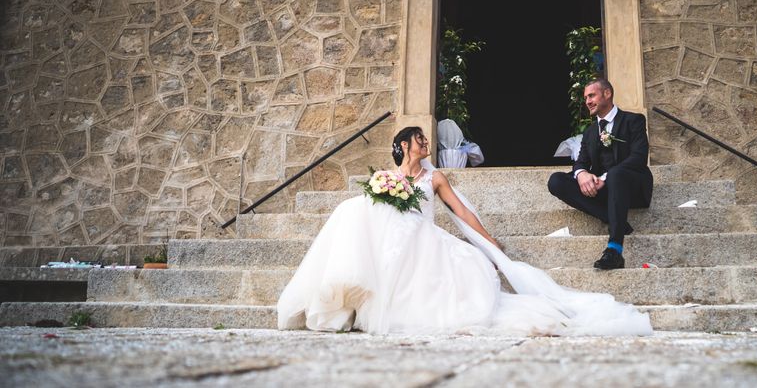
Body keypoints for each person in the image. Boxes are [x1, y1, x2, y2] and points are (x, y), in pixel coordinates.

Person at [277, 126, 652, 336]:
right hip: (389, 241)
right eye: (420, 140)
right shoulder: (384, 178)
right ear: (405, 145)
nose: (426, 143)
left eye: (426, 140)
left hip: (422, 238)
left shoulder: (435, 177)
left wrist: (489, 241)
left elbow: (459, 212)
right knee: (352, 209)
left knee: (454, 259)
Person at [547, 78, 654, 270]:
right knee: (556, 181)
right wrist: (581, 175)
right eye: (585, 97)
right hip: (605, 193)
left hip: (633, 188)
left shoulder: (633, 120)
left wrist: (604, 177)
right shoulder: (590, 133)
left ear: (607, 94)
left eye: (591, 95)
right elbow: (580, 162)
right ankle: (611, 216)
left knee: (615, 175)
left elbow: (639, 158)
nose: (587, 101)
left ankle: (614, 250)